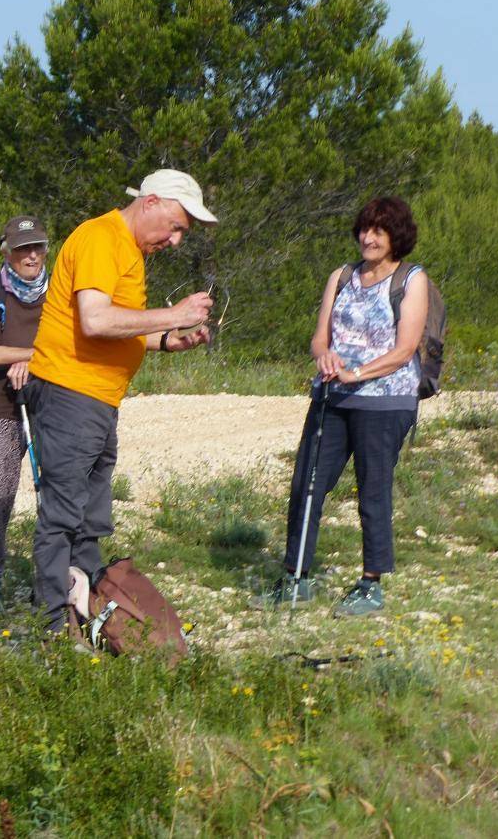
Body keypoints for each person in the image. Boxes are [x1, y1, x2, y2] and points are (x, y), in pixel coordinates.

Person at [23, 169, 217, 632]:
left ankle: (90, 613)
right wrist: (174, 313)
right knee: (63, 516)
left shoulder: (127, 249)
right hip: (71, 394)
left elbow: (120, 329)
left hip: (97, 400)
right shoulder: (100, 237)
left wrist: (169, 340)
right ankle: (50, 628)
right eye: (175, 227)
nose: (174, 241)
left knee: (90, 518)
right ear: (150, 202)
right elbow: (95, 320)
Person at [250, 196, 428, 616]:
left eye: (379, 230)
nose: (368, 237)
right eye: (365, 229)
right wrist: (324, 357)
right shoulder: (342, 275)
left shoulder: (411, 279)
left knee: (372, 490)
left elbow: (405, 350)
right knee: (307, 484)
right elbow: (319, 336)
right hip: (332, 395)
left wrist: (358, 372)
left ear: (396, 235)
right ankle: (295, 577)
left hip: (385, 402)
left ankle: (371, 584)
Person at [0, 215, 50, 621]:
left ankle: (54, 580)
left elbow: (73, 342)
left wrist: (31, 365)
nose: (31, 255)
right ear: (7, 253)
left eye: (37, 247)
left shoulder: (63, 291)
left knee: (55, 493)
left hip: (53, 399)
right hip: (1, 403)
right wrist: (29, 357)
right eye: (22, 249)